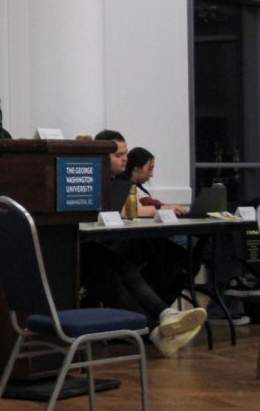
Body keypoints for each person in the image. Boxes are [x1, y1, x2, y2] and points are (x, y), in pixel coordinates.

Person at [80, 130, 207, 357]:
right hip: (81, 244)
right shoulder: (87, 179)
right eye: (118, 154)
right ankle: (154, 329)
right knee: (111, 277)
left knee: (125, 267)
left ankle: (165, 314)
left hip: (97, 241)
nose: (125, 158)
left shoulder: (117, 184)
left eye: (126, 153)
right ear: (101, 156)